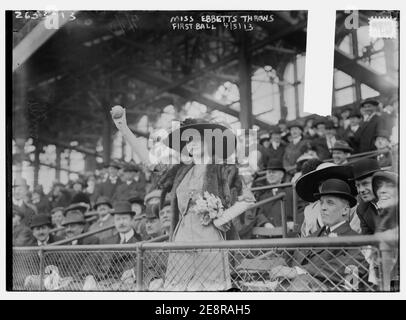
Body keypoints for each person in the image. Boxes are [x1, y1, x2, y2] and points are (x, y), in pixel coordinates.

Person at [270, 179, 368, 291]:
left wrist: (298, 271)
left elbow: (352, 266)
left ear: (345, 210)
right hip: (293, 288)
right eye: (321, 202)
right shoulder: (314, 236)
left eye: (330, 202)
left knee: (302, 282)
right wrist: (282, 264)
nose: (323, 207)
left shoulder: (354, 239)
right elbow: (290, 256)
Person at [297, 162, 360, 237]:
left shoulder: (354, 208)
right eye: (320, 184)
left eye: (328, 182)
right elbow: (304, 237)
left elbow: (353, 236)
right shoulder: (309, 210)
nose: (324, 187)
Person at [254, 159, 293, 229]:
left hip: (288, 233)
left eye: (274, 172)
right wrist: (265, 223)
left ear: (281, 175)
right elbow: (259, 214)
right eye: (269, 172)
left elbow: (300, 210)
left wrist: (294, 222)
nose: (271, 174)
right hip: (269, 234)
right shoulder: (263, 196)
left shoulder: (291, 192)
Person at [351, 158, 383, 235]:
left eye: (365, 184)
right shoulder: (361, 209)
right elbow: (368, 238)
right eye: (357, 186)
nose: (361, 190)